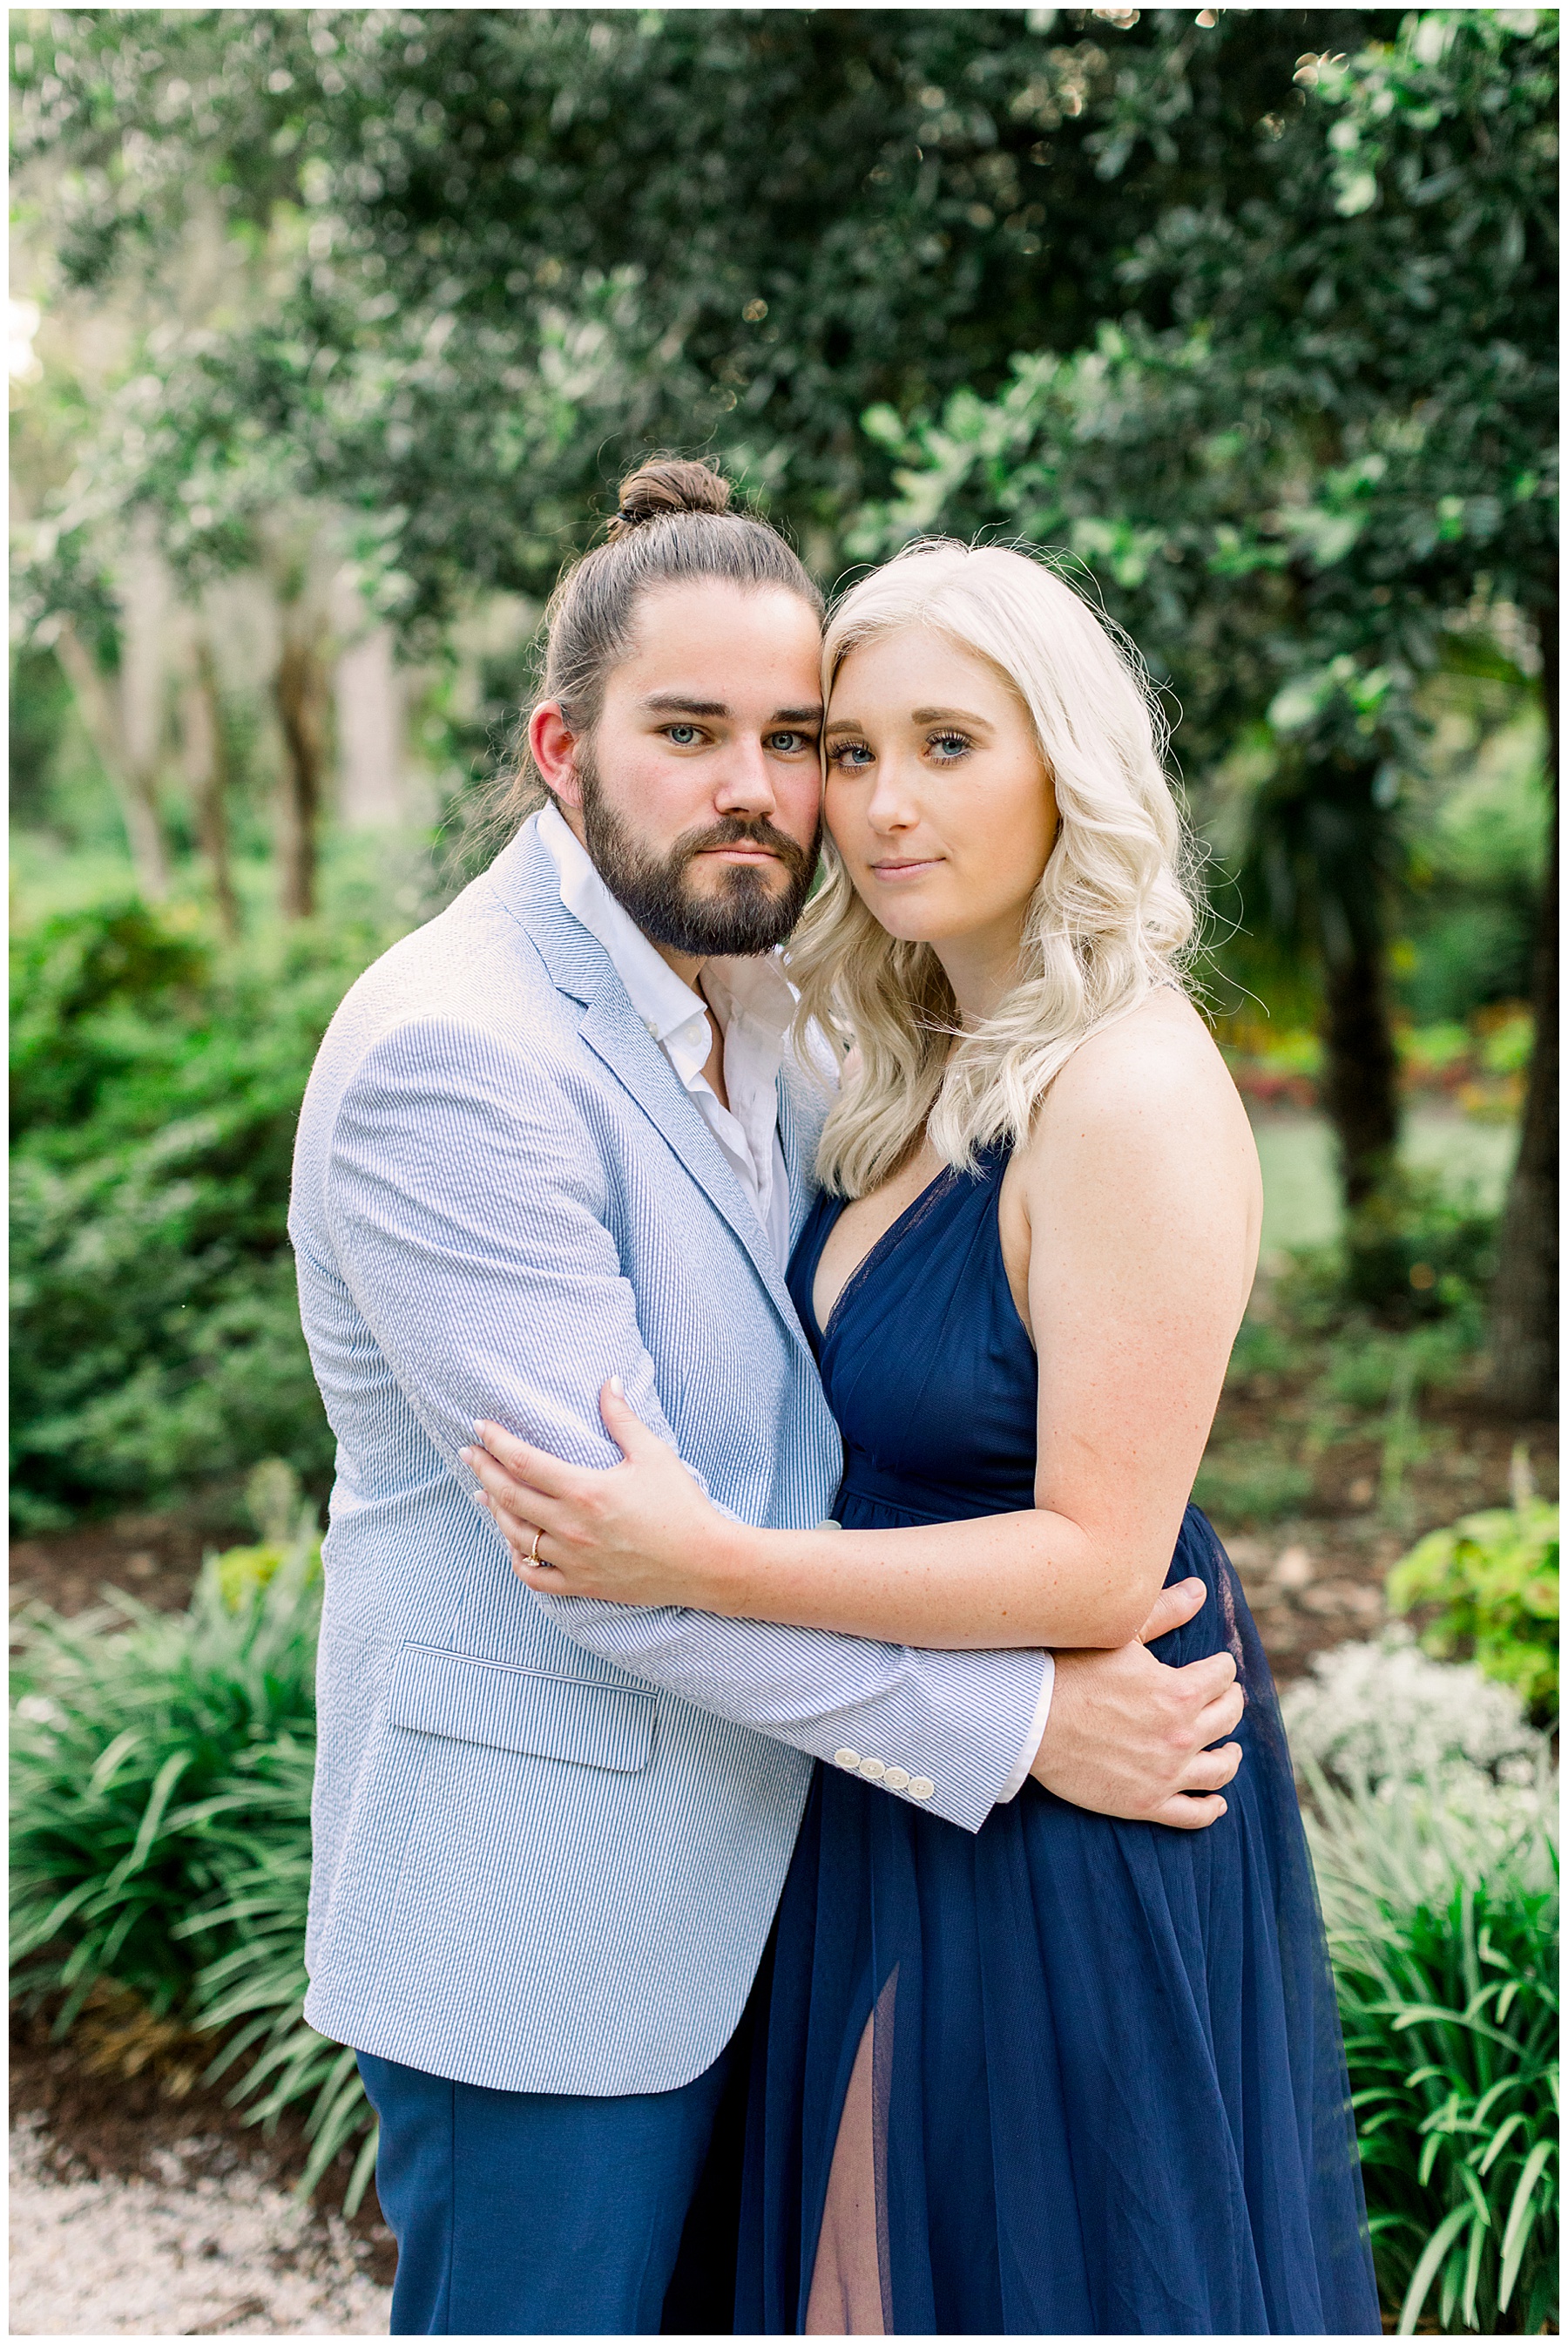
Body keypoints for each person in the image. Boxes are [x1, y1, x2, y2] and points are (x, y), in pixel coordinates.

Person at [290, 462, 1248, 2338]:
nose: (768, 787)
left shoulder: (788, 1008)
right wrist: (1014, 1721)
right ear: (564, 747)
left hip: (806, 1881)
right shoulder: (452, 1060)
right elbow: (622, 1559)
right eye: (691, 731)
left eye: (793, 735)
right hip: (556, 1926)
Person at [467, 536, 1382, 2334]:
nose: (877, 804)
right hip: (910, 1765)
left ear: (1071, 764)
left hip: (1073, 1784)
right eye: (850, 749)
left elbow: (1101, 1556)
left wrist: (707, 1559)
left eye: (948, 744)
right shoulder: (910, 1057)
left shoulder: (1124, 1085)